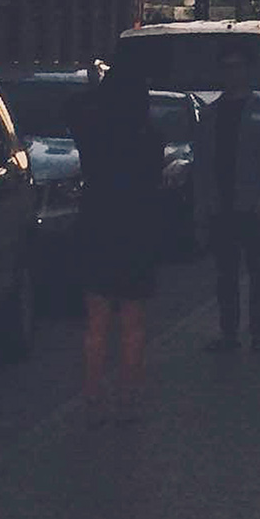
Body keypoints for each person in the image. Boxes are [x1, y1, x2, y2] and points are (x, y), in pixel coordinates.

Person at [76, 51, 164, 424]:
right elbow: (154, 182)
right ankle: (129, 395)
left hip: (98, 227)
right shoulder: (150, 137)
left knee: (96, 321)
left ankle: (93, 395)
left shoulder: (93, 133)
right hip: (136, 229)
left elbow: (74, 108)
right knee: (133, 321)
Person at [196, 43, 260, 353]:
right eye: (227, 67)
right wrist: (203, 205)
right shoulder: (210, 114)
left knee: (259, 275)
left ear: (247, 70)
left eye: (237, 67)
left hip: (252, 206)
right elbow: (204, 162)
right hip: (221, 205)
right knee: (226, 276)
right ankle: (229, 333)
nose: (232, 73)